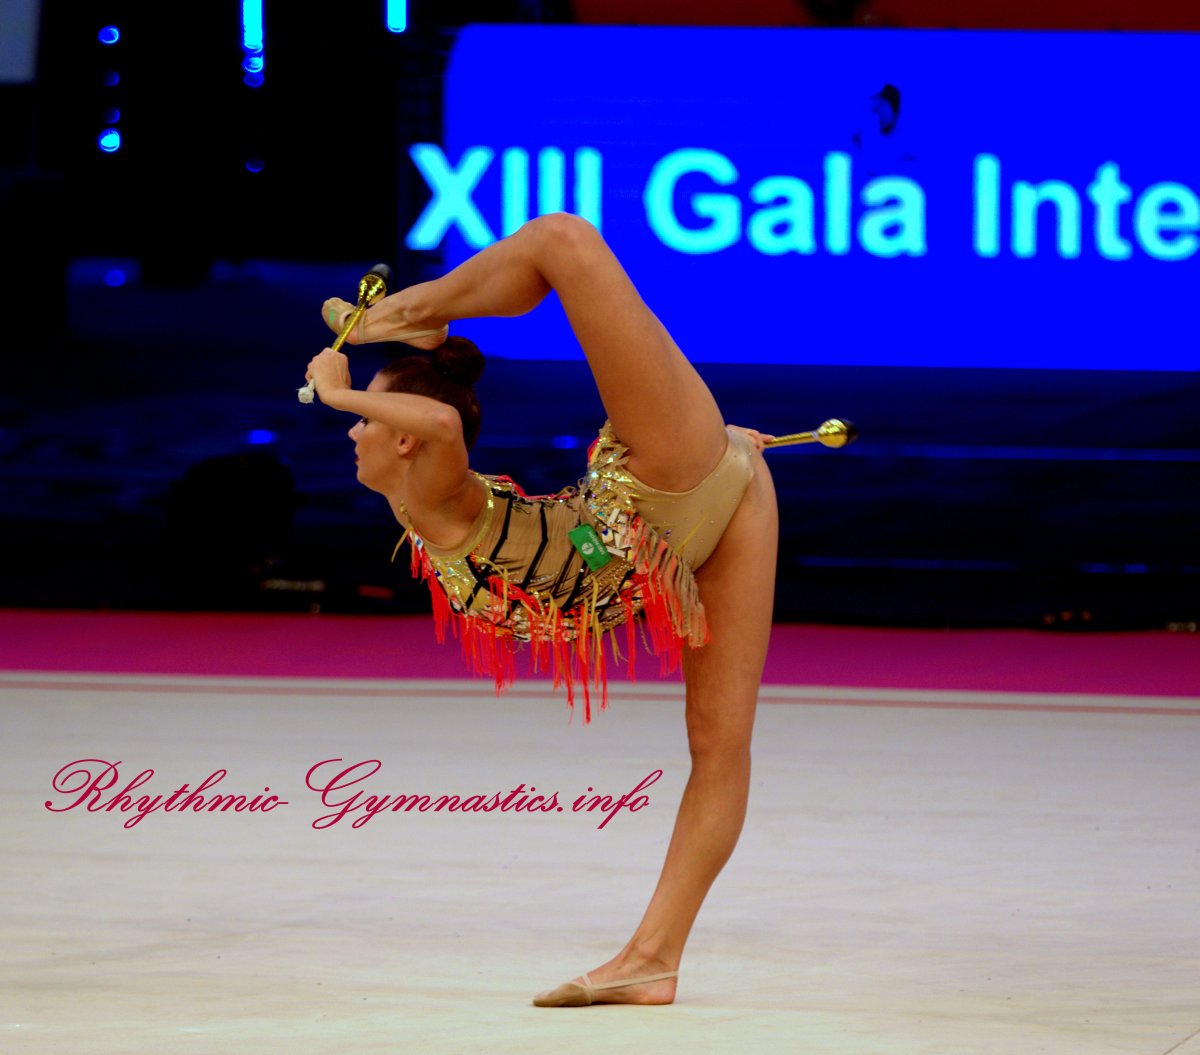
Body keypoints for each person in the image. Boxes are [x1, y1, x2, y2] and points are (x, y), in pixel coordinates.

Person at [305, 213, 779, 1007]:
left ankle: (412, 312)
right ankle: (652, 959)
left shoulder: (439, 489)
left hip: (656, 484)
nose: (355, 430)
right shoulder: (415, 501)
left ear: (405, 440)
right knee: (717, 746)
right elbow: (436, 414)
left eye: (366, 419)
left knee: (564, 240)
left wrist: (336, 386)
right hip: (680, 536)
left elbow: (442, 419)